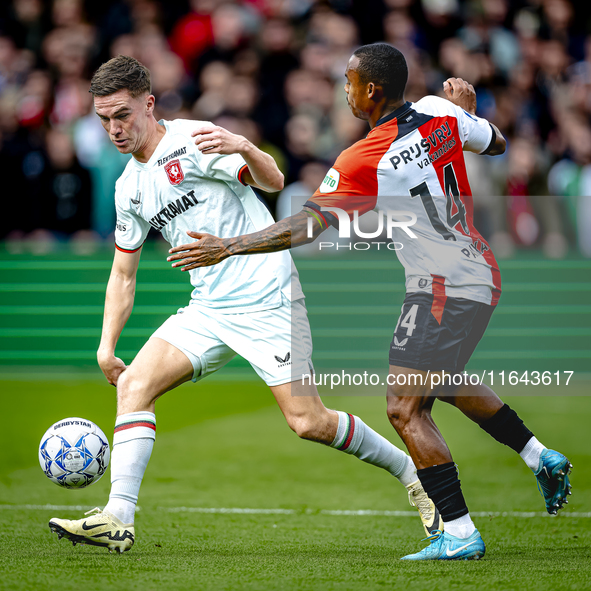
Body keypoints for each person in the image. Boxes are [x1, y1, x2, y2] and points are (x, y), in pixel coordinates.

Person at [167, 43, 573, 561]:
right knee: (441, 381)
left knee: (403, 409)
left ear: (371, 90)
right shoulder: (440, 111)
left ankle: (461, 532)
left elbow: (309, 224)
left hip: (443, 282)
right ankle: (540, 457)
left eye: (349, 81)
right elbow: (496, 143)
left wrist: (229, 245)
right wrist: (466, 112)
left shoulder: (363, 156)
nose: (345, 90)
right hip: (475, 268)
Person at [48, 55, 441, 554]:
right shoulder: (129, 186)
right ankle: (117, 517)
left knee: (308, 423)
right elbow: (122, 274)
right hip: (208, 306)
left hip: (268, 296)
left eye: (122, 114)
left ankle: (412, 473)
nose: (114, 128)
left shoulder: (192, 140)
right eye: (104, 119)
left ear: (149, 104)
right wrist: (107, 346)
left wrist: (243, 145)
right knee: (133, 384)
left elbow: (275, 182)